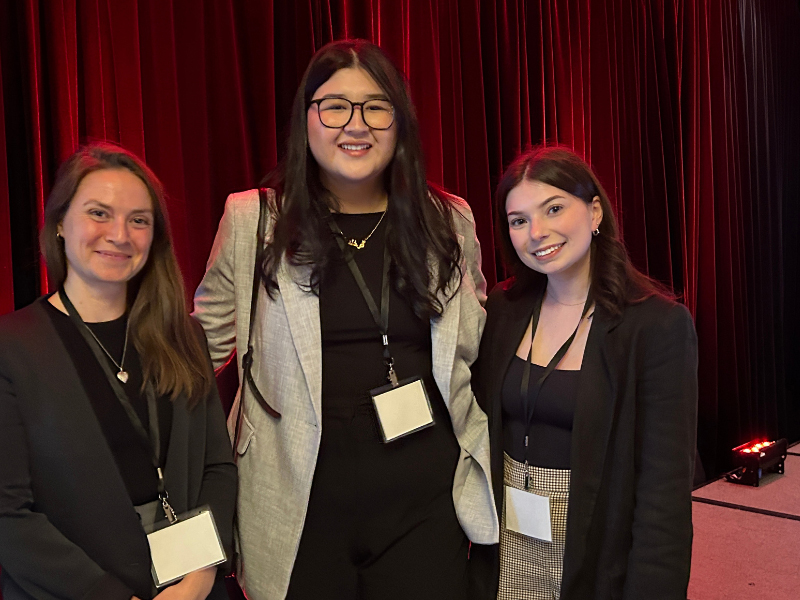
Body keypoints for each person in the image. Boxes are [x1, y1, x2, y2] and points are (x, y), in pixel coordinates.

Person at [193, 39, 498, 600]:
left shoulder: (448, 221)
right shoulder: (254, 219)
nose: (355, 124)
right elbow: (197, 354)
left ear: (399, 121)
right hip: (297, 501)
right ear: (306, 119)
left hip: (425, 502)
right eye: (334, 105)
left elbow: (476, 344)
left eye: (375, 105)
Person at [0, 143, 237, 600]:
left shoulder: (184, 335)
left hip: (191, 587)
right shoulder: (12, 348)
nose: (120, 234)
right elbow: (8, 514)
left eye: (139, 220)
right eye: (99, 213)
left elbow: (218, 468)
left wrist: (201, 576)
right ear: (60, 226)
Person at [470, 146, 697, 600]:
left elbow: (663, 499)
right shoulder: (503, 308)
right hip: (507, 543)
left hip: (595, 549)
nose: (537, 232)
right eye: (519, 221)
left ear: (594, 212)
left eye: (554, 209)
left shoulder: (656, 326)